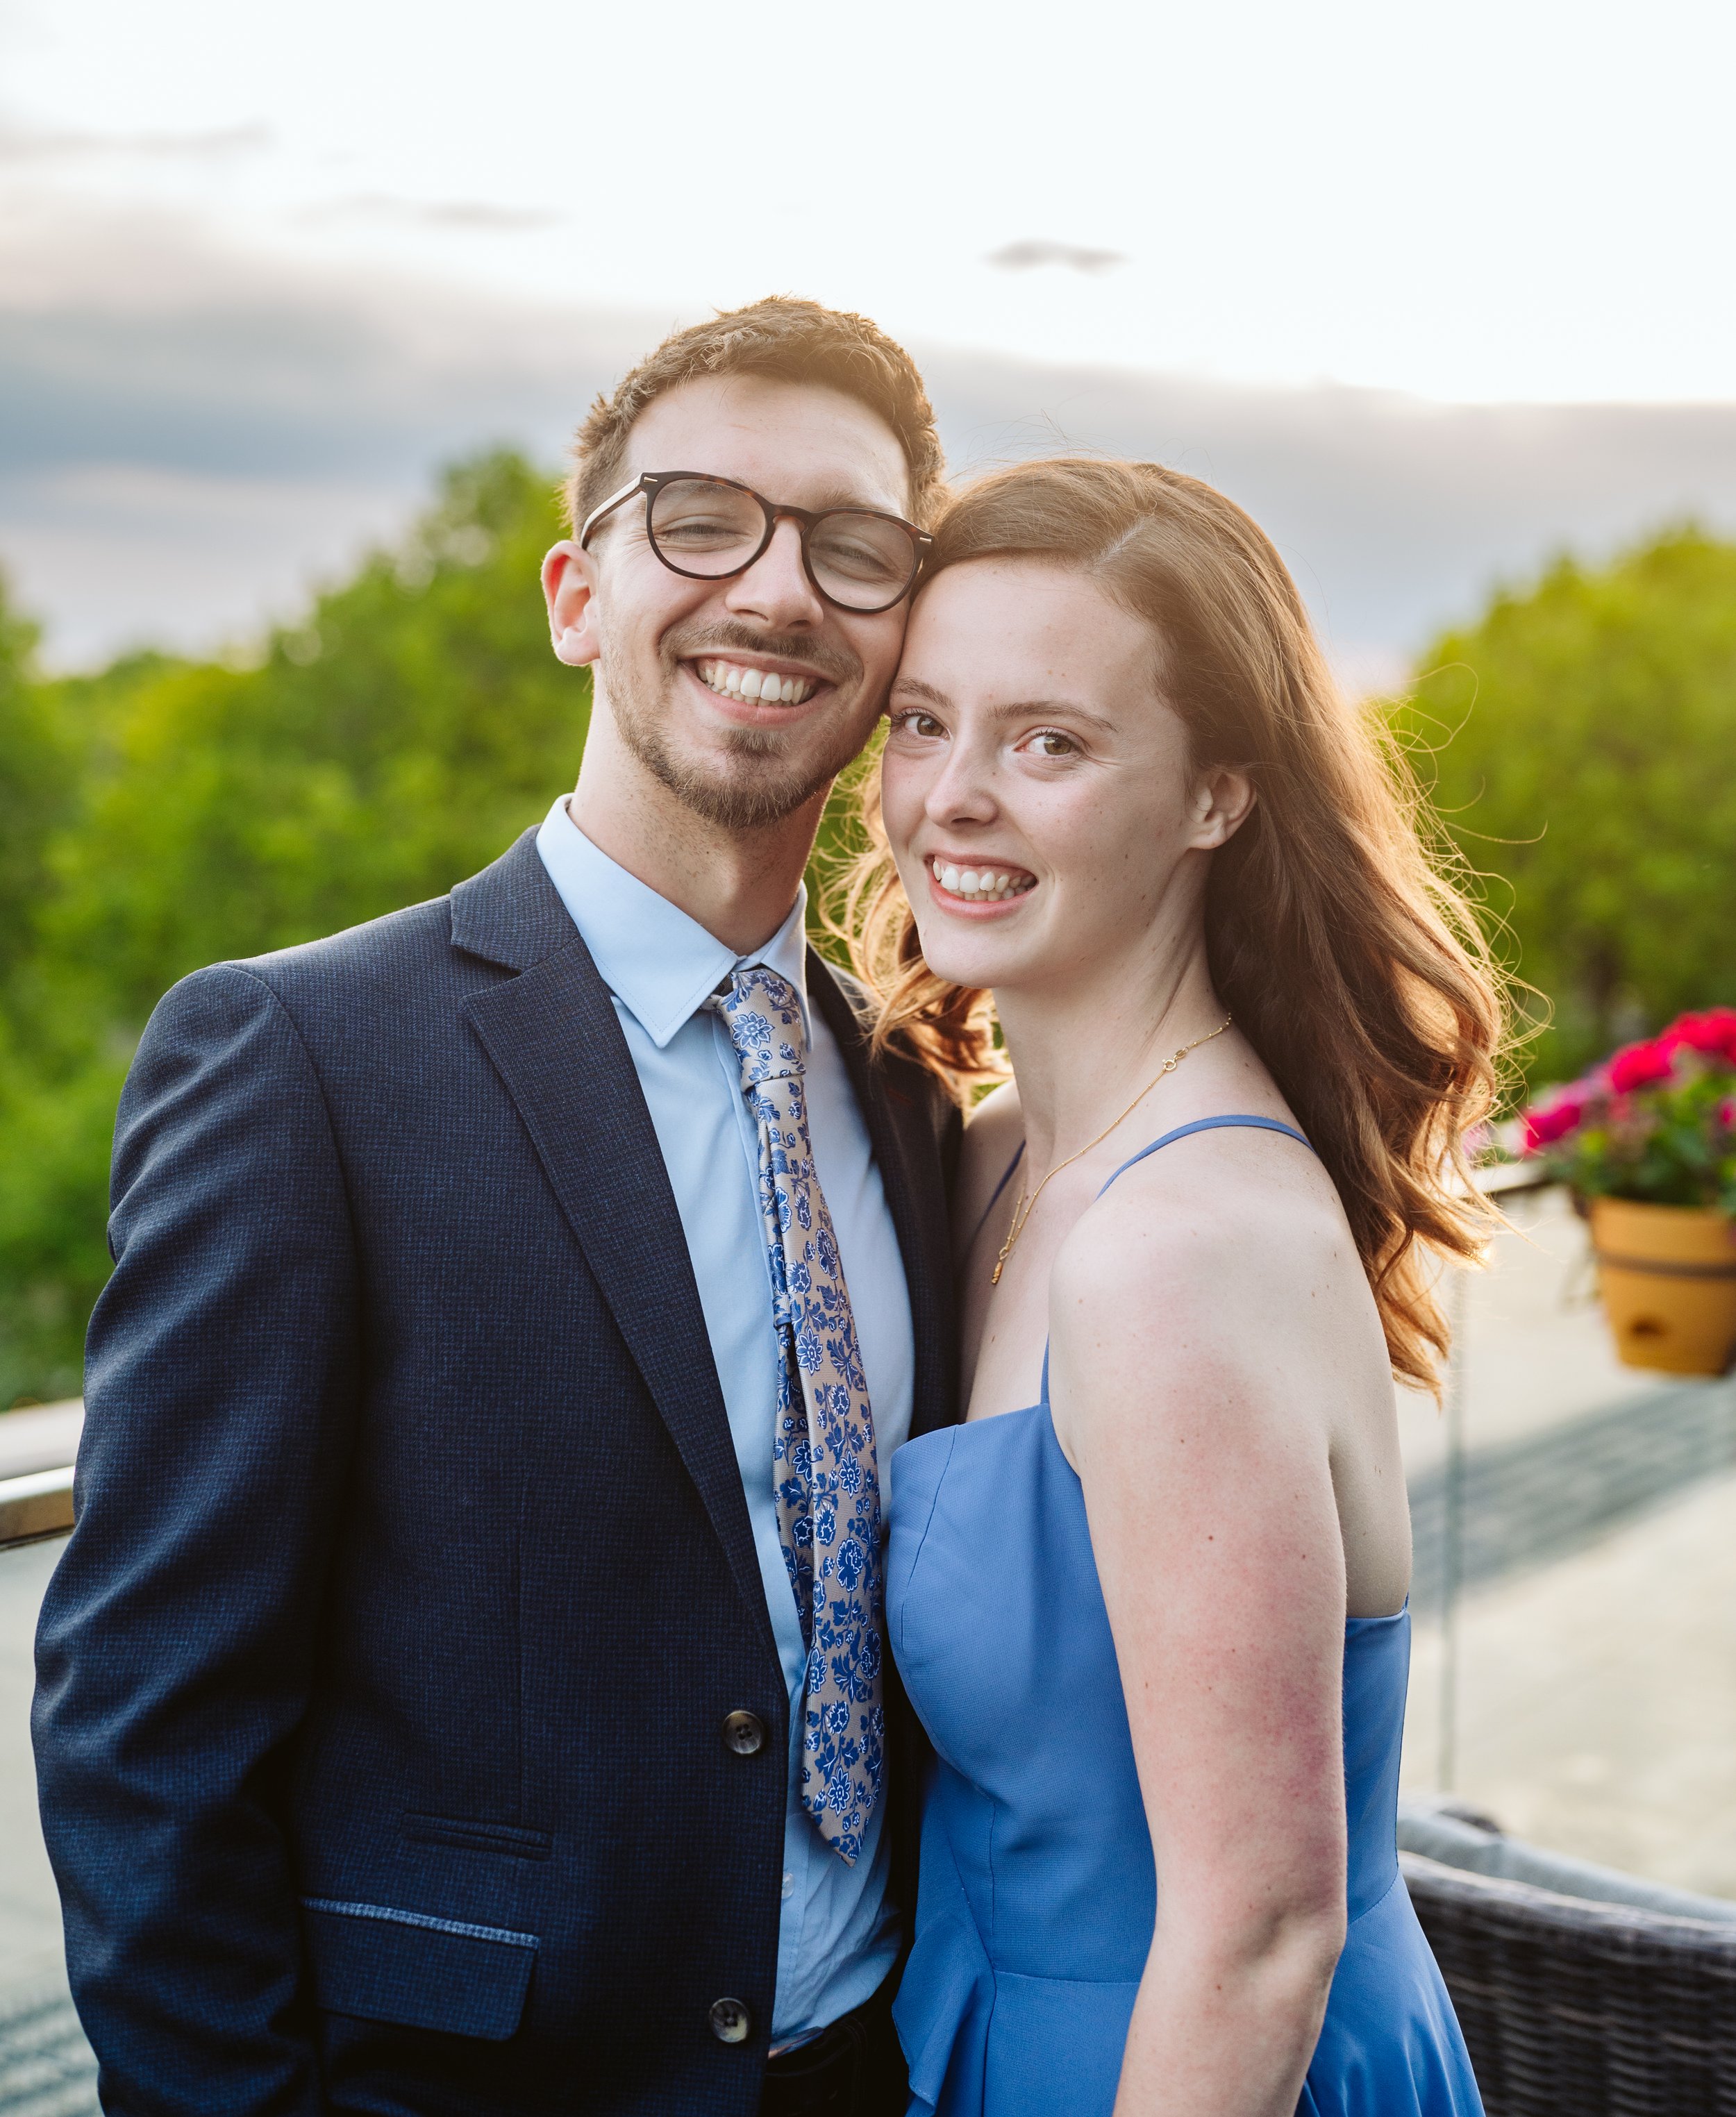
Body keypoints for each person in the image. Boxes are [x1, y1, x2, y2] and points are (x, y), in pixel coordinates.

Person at [33, 297, 961, 2116]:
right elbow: (145, 1738)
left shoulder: (918, 1098)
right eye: (699, 519)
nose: (776, 592)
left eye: (853, 549)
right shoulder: (302, 1059)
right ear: (573, 594)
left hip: (880, 2068)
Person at [856, 458, 1500, 2115]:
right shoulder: (990, 1159)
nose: (951, 797)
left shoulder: (1175, 1250)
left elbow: (1261, 1931)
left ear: (1216, 794)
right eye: (921, 721)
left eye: (1048, 741)